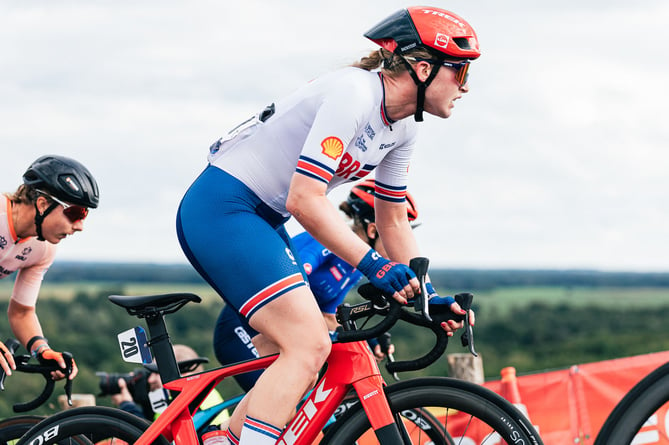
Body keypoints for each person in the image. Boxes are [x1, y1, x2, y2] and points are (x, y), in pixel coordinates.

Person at [176, 6, 480, 444]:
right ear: (422, 66)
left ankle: (227, 440)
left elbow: (392, 218)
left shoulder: (402, 129)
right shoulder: (354, 95)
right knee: (309, 344)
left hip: (262, 217)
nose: (465, 87)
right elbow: (305, 200)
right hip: (225, 208)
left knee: (297, 353)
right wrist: (375, 265)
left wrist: (427, 294)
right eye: (461, 72)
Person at [213, 179, 418, 392]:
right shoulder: (324, 244)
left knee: (299, 404)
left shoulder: (354, 269)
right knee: (281, 404)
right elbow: (286, 287)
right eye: (395, 235)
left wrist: (367, 339)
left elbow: (328, 317)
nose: (400, 245)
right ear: (373, 230)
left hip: (278, 333)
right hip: (243, 328)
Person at [1, 155, 99, 381]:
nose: (80, 226)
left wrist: (41, 349)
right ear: (43, 204)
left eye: (85, 216)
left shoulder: (43, 249)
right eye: (76, 213)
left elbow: (21, 312)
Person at [111, 344, 230, 425]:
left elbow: (154, 439)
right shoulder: (205, 393)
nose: (150, 380)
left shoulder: (192, 399)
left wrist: (127, 406)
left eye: (157, 373)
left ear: (184, 372)